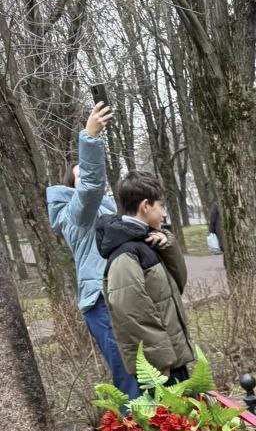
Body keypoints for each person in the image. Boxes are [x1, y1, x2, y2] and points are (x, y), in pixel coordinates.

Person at [46, 102, 139, 398]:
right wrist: (90, 137)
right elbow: (90, 188)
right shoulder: (75, 216)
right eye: (81, 175)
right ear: (72, 187)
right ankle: (134, 426)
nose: (87, 179)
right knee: (128, 376)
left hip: (123, 295)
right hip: (100, 301)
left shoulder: (106, 212)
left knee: (147, 370)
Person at [96, 171, 193, 386]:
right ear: (146, 206)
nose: (164, 213)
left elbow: (177, 286)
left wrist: (168, 246)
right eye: (161, 206)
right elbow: (131, 314)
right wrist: (160, 360)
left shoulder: (147, 241)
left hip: (172, 356)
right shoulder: (126, 253)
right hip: (160, 367)